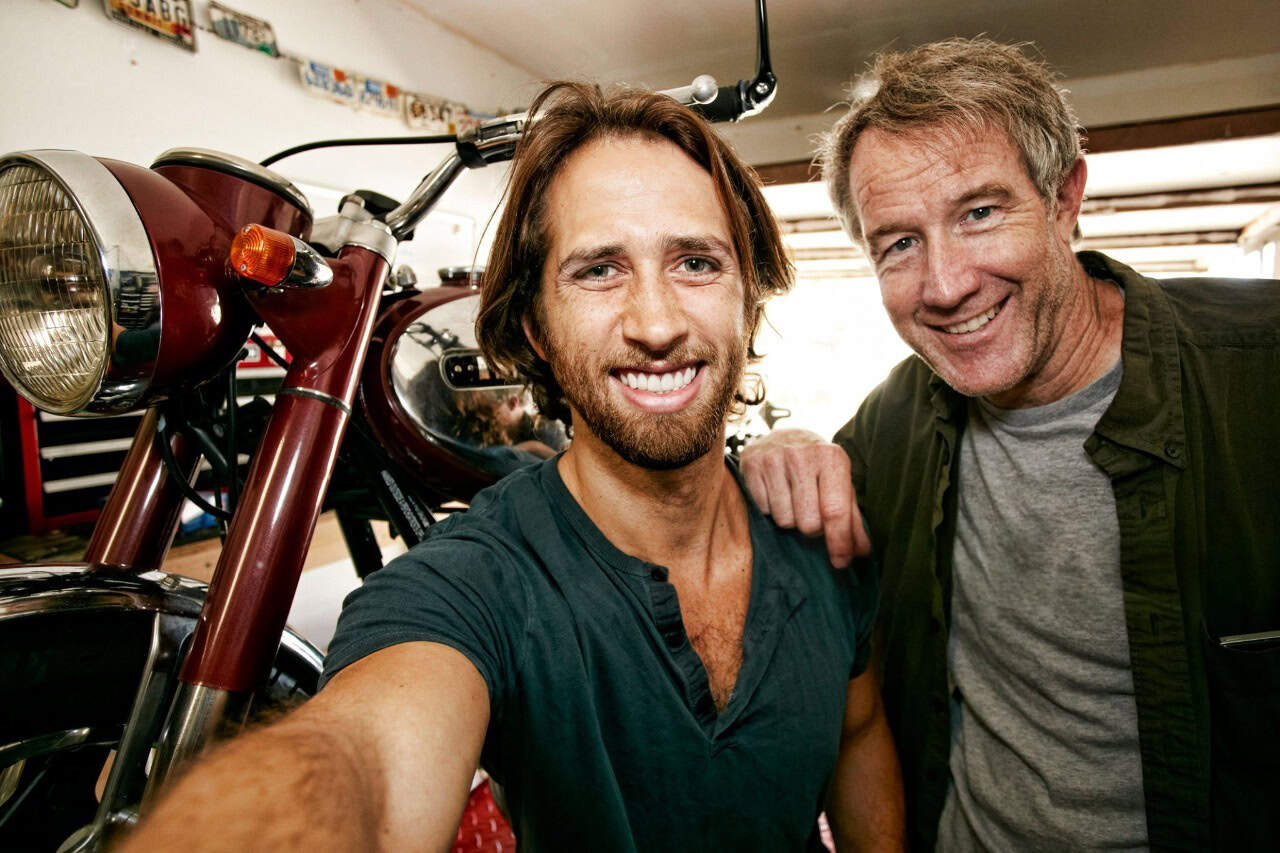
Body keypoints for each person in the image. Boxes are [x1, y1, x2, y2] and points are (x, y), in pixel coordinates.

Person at [123, 82, 904, 851]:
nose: (658, 322)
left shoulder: (819, 527)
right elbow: (365, 763)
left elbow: (860, 729)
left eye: (696, 262)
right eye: (599, 270)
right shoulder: (473, 586)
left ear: (748, 296)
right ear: (535, 327)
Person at [741, 38, 1280, 852]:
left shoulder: (1259, 379)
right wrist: (781, 443)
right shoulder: (899, 417)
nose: (948, 283)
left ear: (1065, 198)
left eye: (980, 213)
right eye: (900, 244)